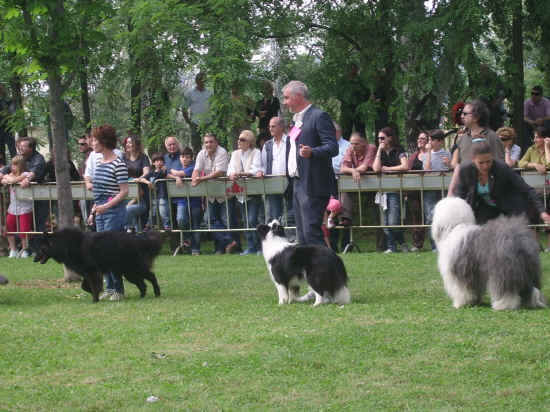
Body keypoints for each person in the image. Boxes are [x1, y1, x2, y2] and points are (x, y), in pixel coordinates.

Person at [282, 80, 338, 245]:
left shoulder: (319, 116)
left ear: (298, 96)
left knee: (311, 233)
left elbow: (332, 147)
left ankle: (325, 270)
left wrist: (312, 152)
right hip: (298, 183)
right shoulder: (298, 120)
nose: (285, 103)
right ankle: (310, 270)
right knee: (303, 235)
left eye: (287, 98)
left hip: (313, 185)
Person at [454, 140, 550, 228]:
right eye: (481, 163)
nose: (485, 166)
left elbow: (527, 189)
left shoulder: (502, 168)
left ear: (492, 157)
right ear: (473, 160)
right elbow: (459, 196)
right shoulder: (465, 170)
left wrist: (542, 212)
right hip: (484, 210)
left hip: (510, 208)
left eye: (488, 161)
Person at [87, 125, 129, 301]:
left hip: (114, 212)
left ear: (104, 142)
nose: (92, 143)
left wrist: (108, 206)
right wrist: (93, 211)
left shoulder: (118, 163)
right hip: (101, 211)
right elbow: (99, 191)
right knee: (102, 252)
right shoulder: (98, 162)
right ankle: (110, 287)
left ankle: (118, 289)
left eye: (95, 140)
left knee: (111, 251)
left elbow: (124, 191)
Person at [191, 133, 237, 254]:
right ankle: (227, 242)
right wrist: (194, 178)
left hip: (225, 193)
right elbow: (196, 169)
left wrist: (201, 179)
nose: (208, 144)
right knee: (209, 220)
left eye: (211, 142)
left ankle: (224, 248)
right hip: (211, 194)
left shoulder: (222, 152)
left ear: (216, 143)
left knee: (226, 221)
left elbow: (220, 172)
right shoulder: (201, 153)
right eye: (206, 142)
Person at [448, 99, 505, 196]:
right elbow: (456, 165)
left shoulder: (492, 137)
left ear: (476, 117)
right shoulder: (462, 138)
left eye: (465, 114)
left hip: (487, 193)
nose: (462, 116)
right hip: (466, 193)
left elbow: (500, 166)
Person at [0, 136, 46, 254]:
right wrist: (3, 175)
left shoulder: (38, 159)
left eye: (23, 146)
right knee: (12, 225)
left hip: (37, 199)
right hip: (17, 203)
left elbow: (31, 173)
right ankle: (16, 249)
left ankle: (35, 250)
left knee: (36, 225)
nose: (19, 148)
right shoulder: (20, 158)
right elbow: (7, 169)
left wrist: (19, 179)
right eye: (19, 145)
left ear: (31, 148)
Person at [372, 126, 410, 253]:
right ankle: (392, 247)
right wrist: (378, 150)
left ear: (390, 138)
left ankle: (401, 242)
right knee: (385, 223)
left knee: (393, 222)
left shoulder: (399, 150)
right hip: (382, 191)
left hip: (395, 189)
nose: (380, 140)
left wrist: (389, 169)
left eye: (382, 138)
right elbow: (376, 169)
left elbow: (405, 166)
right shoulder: (380, 152)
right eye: (378, 138)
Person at [337, 132, 376, 251]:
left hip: (374, 186)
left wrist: (353, 171)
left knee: (377, 215)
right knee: (345, 192)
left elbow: (364, 167)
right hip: (357, 183)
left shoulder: (371, 148)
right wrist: (354, 171)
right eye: (352, 144)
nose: (353, 146)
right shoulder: (350, 149)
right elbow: (343, 168)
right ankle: (345, 218)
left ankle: (384, 246)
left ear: (363, 143)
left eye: (356, 144)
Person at [228, 130, 264, 255]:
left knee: (253, 220)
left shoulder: (256, 152)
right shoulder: (235, 154)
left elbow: (256, 169)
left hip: (253, 191)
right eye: (239, 139)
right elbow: (230, 170)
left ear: (249, 142)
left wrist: (242, 174)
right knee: (246, 221)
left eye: (242, 139)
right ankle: (250, 247)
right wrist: (233, 174)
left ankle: (260, 247)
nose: (239, 141)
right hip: (240, 193)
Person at [261, 116, 293, 226]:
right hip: (272, 183)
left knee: (290, 214)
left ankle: (291, 239)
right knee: (274, 215)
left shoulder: (290, 141)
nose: (270, 129)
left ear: (281, 127)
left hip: (289, 182)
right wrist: (261, 172)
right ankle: (275, 240)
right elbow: (263, 165)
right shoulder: (267, 145)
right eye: (269, 126)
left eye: (273, 126)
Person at [171, 147, 202, 255]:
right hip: (181, 201)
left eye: (187, 157)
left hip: (195, 201)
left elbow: (176, 172)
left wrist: (176, 175)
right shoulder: (178, 166)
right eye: (182, 157)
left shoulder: (194, 167)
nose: (184, 159)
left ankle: (196, 249)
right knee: (181, 219)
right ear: (180, 158)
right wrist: (176, 178)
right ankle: (187, 240)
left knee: (195, 224)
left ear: (191, 158)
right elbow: (170, 172)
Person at [422, 129, 450, 251]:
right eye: (429, 140)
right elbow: (427, 170)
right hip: (430, 188)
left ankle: (445, 244)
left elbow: (451, 169)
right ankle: (434, 246)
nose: (430, 142)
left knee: (445, 216)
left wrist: (449, 164)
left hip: (444, 189)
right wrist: (428, 153)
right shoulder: (425, 155)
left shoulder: (447, 154)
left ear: (440, 141)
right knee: (430, 216)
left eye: (432, 140)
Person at [1, 155, 33, 258]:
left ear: (21, 165)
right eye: (12, 164)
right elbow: (4, 180)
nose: (12, 167)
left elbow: (13, 180)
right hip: (13, 207)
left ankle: (24, 250)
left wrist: (9, 179)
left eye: (15, 165)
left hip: (25, 207)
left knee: (24, 229)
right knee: (9, 227)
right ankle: (13, 249)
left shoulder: (26, 174)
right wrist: (7, 178)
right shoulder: (10, 174)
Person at [406, 132, 430, 251]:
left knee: (429, 215)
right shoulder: (413, 156)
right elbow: (407, 171)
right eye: (419, 138)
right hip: (414, 191)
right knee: (416, 217)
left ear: (428, 141)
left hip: (428, 189)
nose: (420, 140)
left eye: (423, 138)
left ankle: (434, 242)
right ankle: (417, 243)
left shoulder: (431, 154)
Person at [122, 135, 150, 232]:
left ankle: (129, 230)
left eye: (130, 142)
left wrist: (139, 179)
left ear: (136, 144)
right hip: (126, 192)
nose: (128, 144)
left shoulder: (143, 157)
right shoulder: (123, 157)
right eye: (127, 142)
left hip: (140, 192)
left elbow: (146, 172)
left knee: (138, 219)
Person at [338, 63, 370, 139]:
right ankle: (345, 150)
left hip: (358, 109)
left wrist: (360, 100)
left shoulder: (361, 80)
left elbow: (367, 93)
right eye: (350, 68)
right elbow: (338, 94)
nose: (352, 70)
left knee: (360, 131)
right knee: (346, 131)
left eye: (354, 68)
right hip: (346, 110)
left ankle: (363, 149)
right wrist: (347, 99)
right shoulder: (343, 80)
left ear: (357, 70)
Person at [183, 72, 212, 152]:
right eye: (200, 80)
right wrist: (189, 122)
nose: (202, 82)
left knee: (210, 143)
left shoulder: (210, 92)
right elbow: (184, 108)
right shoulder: (190, 93)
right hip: (195, 123)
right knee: (196, 145)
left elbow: (215, 107)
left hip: (209, 122)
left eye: (204, 80)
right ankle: (197, 161)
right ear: (197, 81)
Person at [141, 152, 170, 230]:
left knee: (163, 211)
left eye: (161, 161)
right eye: (157, 161)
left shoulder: (164, 171)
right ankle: (148, 225)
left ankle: (166, 225)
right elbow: (143, 178)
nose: (159, 163)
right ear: (153, 163)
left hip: (163, 195)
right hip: (154, 196)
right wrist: (148, 182)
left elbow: (161, 175)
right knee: (152, 212)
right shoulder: (151, 172)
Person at [254, 81, 280, 148]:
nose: (265, 93)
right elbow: (255, 112)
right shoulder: (260, 102)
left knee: (272, 145)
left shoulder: (275, 100)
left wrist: (265, 112)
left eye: (266, 90)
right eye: (263, 91)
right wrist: (259, 113)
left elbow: (274, 110)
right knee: (262, 145)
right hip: (262, 127)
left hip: (272, 126)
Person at [0, 84, 16, 162]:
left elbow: (12, 114)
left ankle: (17, 167)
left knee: (12, 150)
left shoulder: (8, 101)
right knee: (1, 152)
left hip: (8, 128)